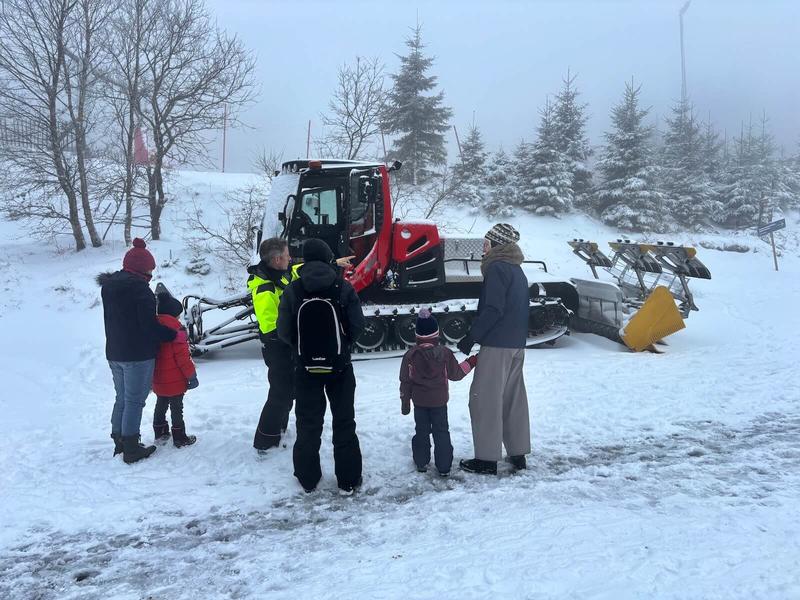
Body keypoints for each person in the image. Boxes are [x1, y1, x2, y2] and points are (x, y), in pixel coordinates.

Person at [277, 238, 365, 494]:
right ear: (327, 257)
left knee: (307, 423)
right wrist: (343, 345)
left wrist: (300, 349)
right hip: (339, 367)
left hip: (305, 369)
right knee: (344, 422)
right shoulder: (343, 287)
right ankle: (348, 479)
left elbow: (283, 331)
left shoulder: (293, 289)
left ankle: (307, 478)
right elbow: (357, 325)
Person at [456, 223, 531, 475]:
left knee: (484, 400)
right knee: (513, 399)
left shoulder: (497, 268)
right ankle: (517, 454)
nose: (483, 250)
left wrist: (471, 337)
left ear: (498, 246)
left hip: (497, 345)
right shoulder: (517, 270)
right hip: (517, 345)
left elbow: (494, 309)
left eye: (487, 244)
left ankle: (486, 460)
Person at [97, 238, 178, 464]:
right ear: (144, 269)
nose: (152, 273)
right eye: (150, 269)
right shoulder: (141, 291)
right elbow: (149, 326)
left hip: (114, 352)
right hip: (137, 354)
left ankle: (120, 442)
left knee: (122, 398)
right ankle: (131, 447)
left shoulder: (109, 287)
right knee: (135, 401)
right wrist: (172, 334)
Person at [399, 309, 478, 476]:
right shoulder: (445, 354)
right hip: (439, 402)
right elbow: (456, 374)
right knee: (441, 432)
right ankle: (444, 466)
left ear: (417, 336)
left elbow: (405, 381)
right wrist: (471, 362)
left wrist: (405, 402)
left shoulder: (410, 355)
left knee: (421, 431)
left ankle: (421, 463)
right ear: (437, 335)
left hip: (419, 403)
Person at [248, 238, 302, 452]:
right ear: (278, 259)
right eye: (287, 255)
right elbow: (271, 328)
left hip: (286, 346)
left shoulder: (281, 274)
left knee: (287, 391)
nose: (291, 258)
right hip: (278, 348)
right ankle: (265, 440)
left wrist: (331, 262)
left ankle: (279, 428)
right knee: (280, 392)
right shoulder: (265, 288)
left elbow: (298, 270)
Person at [152, 290, 199, 448]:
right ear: (173, 314)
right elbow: (183, 359)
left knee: (161, 404)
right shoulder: (177, 332)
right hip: (176, 381)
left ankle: (160, 432)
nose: (179, 318)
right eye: (178, 315)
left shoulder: (154, 327)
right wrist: (191, 376)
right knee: (176, 408)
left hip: (158, 379)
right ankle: (179, 437)